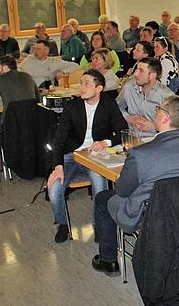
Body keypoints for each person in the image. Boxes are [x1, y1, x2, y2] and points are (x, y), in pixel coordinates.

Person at [91, 95, 179, 275]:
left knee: (103, 198)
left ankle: (109, 260)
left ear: (165, 117)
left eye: (159, 108)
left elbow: (122, 190)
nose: (156, 111)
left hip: (150, 214)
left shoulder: (140, 154)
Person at [46, 70, 127, 243]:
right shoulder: (72, 107)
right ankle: (62, 224)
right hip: (72, 155)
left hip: (96, 156)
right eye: (81, 83)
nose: (81, 87)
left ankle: (100, 226)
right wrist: (57, 166)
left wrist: (106, 142)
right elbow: (58, 139)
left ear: (99, 88)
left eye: (86, 84)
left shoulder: (108, 104)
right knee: (54, 187)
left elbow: (123, 131)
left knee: (100, 187)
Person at [117, 57, 174, 136]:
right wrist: (127, 117)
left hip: (155, 138)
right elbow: (117, 106)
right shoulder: (129, 87)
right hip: (131, 136)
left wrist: (155, 126)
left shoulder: (166, 95)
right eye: (136, 69)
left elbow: (176, 124)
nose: (135, 74)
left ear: (152, 76)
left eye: (141, 71)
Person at [0, 55, 39, 133]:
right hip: (31, 120)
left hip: (11, 122)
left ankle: (3, 144)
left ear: (5, 68)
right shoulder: (27, 76)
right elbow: (37, 97)